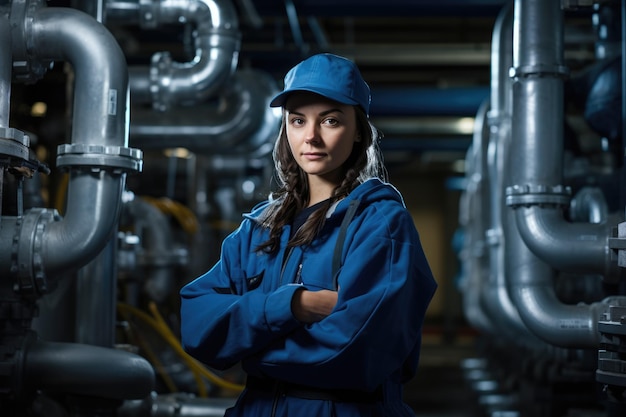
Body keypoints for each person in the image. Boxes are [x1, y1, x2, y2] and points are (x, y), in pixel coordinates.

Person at [180, 53, 437, 417]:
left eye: (330, 120)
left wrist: (244, 345)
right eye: (298, 120)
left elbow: (356, 352)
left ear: (359, 131)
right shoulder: (258, 228)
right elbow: (195, 325)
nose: (311, 136)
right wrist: (293, 305)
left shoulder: (381, 225)